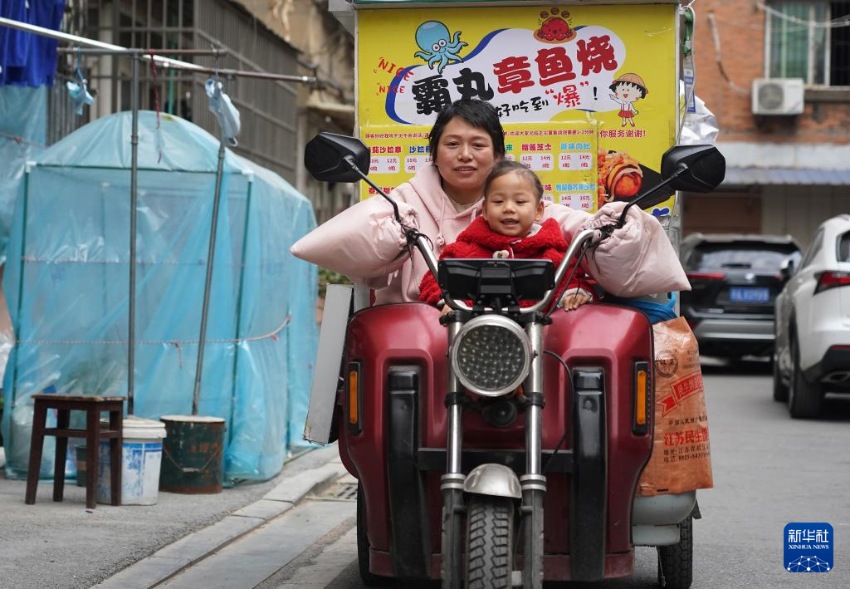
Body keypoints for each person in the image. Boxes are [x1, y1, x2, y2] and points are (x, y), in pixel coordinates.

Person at [290, 98, 688, 304]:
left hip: (525, 327)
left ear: (497, 155)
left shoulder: (524, 201)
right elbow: (348, 239)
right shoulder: (403, 204)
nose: (465, 154)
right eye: (453, 144)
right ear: (434, 153)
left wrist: (611, 228)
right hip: (424, 328)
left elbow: (571, 223)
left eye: (478, 144)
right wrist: (392, 234)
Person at [418, 159, 593, 312]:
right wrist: (450, 301)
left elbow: (572, 279)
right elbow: (434, 279)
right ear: (485, 210)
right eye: (498, 201)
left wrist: (573, 294)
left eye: (520, 202)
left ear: (539, 210)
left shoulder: (551, 251)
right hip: (473, 338)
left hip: (537, 339)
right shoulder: (464, 249)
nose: (509, 208)